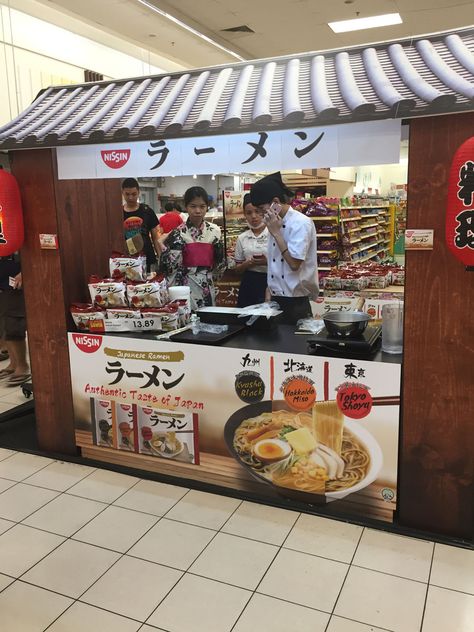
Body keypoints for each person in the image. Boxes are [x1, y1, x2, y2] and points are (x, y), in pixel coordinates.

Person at [250, 172, 318, 325]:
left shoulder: (300, 223)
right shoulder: (274, 221)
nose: (260, 214)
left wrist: (276, 232)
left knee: (294, 347)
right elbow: (276, 263)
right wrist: (269, 290)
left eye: (261, 208)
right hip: (276, 299)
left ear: (275, 202)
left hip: (296, 303)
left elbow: (294, 264)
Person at [160, 186, 224, 310]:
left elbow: (219, 263)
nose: (198, 211)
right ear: (186, 206)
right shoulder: (178, 233)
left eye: (202, 206)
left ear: (207, 206)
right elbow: (170, 268)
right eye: (193, 206)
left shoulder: (215, 231)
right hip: (185, 286)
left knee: (208, 318)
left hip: (207, 284)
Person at [233, 194, 269, 307]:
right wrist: (247, 264)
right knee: (246, 319)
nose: (254, 216)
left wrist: (267, 262)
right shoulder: (242, 237)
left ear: (264, 211)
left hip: (270, 281)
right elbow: (237, 269)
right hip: (249, 283)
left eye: (257, 211)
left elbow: (285, 264)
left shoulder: (273, 234)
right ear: (244, 214)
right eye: (249, 213)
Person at [0, 255, 30, 387]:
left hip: (16, 283)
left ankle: (22, 366)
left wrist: (25, 271)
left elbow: (32, 254)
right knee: (4, 326)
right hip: (3, 284)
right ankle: (13, 363)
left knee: (13, 324)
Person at [122, 178, 161, 272]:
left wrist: (160, 258)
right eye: (127, 194)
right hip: (127, 260)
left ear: (139, 192)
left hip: (148, 258)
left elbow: (155, 238)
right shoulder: (118, 213)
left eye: (134, 194)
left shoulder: (147, 211)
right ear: (122, 193)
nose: (130, 197)